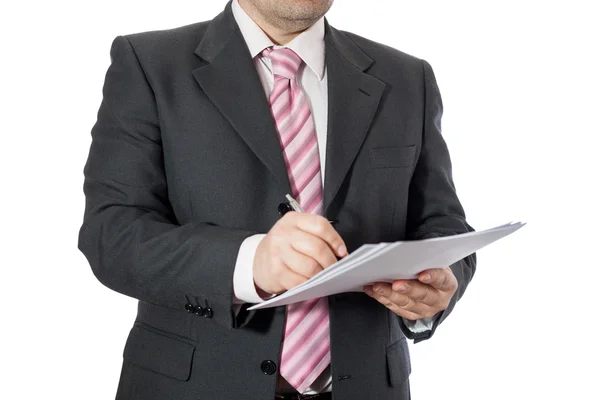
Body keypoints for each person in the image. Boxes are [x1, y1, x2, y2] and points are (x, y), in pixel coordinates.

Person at [78, 0, 476, 399]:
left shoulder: (408, 78)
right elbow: (111, 233)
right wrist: (249, 263)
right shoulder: (149, 64)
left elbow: (444, 225)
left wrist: (441, 281)